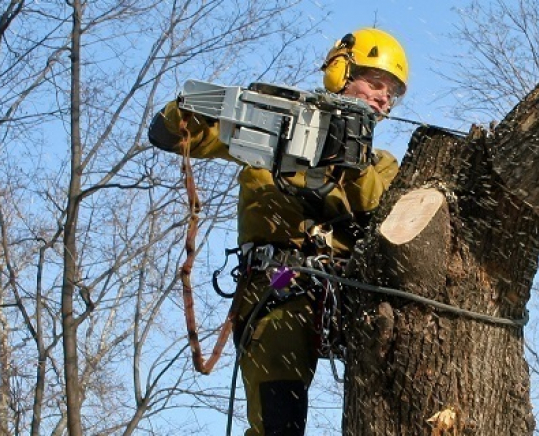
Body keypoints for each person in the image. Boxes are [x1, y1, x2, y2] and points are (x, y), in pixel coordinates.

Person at [148, 28, 408, 435]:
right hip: (284, 283)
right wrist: (204, 107)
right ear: (340, 72)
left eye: (391, 94)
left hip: (353, 297)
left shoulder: (382, 165)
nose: (383, 98)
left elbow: (382, 211)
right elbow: (176, 134)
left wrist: (348, 158)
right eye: (375, 83)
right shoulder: (274, 133)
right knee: (279, 423)